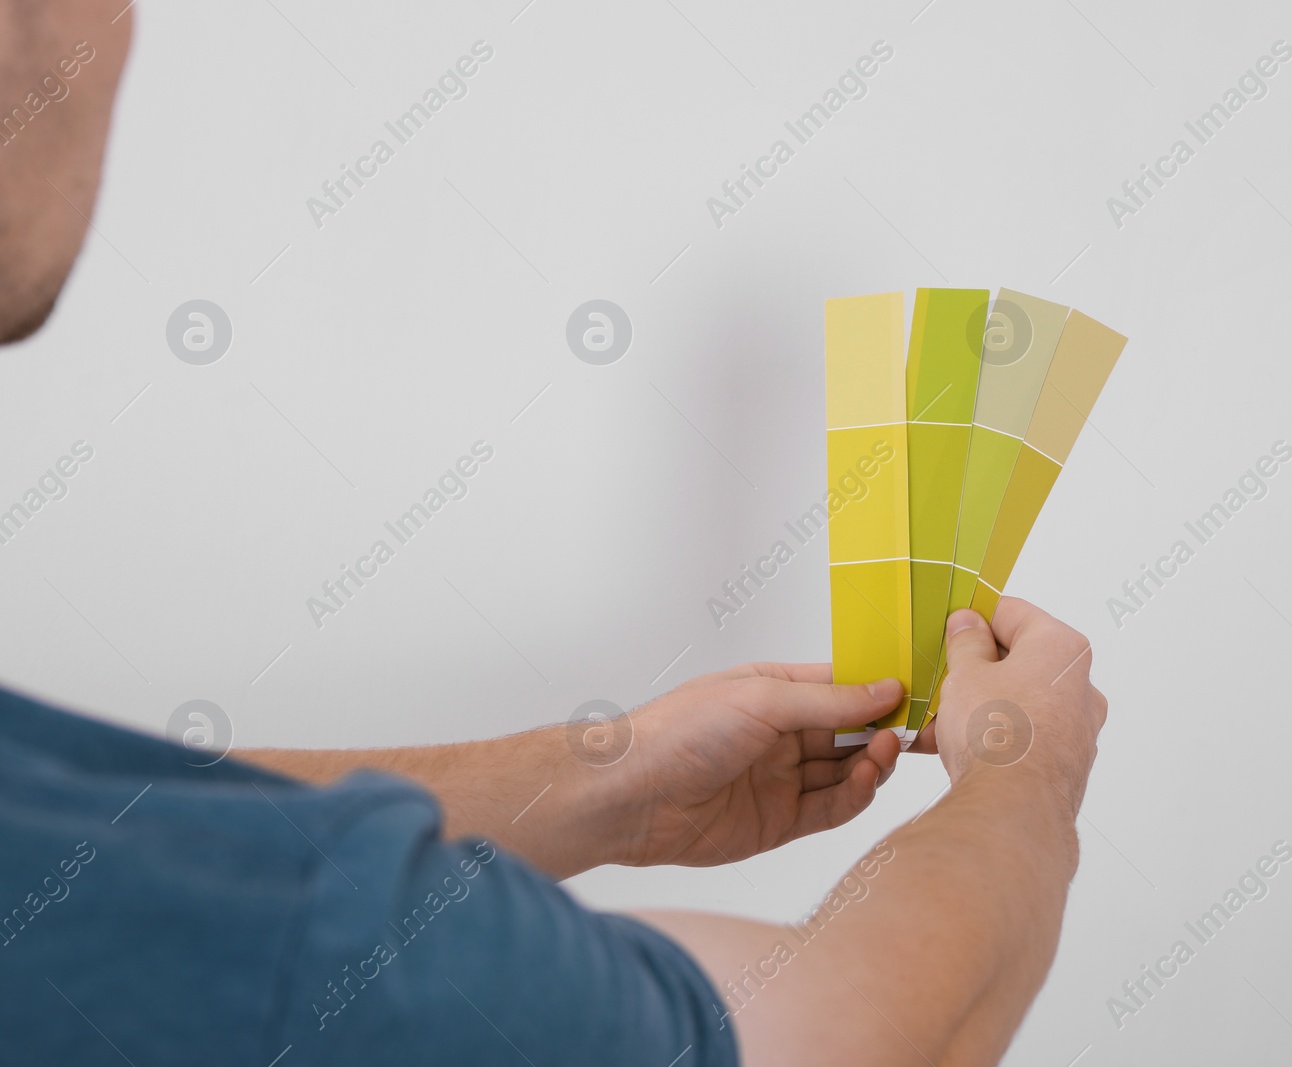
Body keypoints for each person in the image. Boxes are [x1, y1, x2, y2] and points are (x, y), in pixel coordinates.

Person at [0, 2, 1110, 1064]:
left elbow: (124, 815)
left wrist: (601, 780)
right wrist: (1023, 776)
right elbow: (834, 1040)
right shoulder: (271, 940)